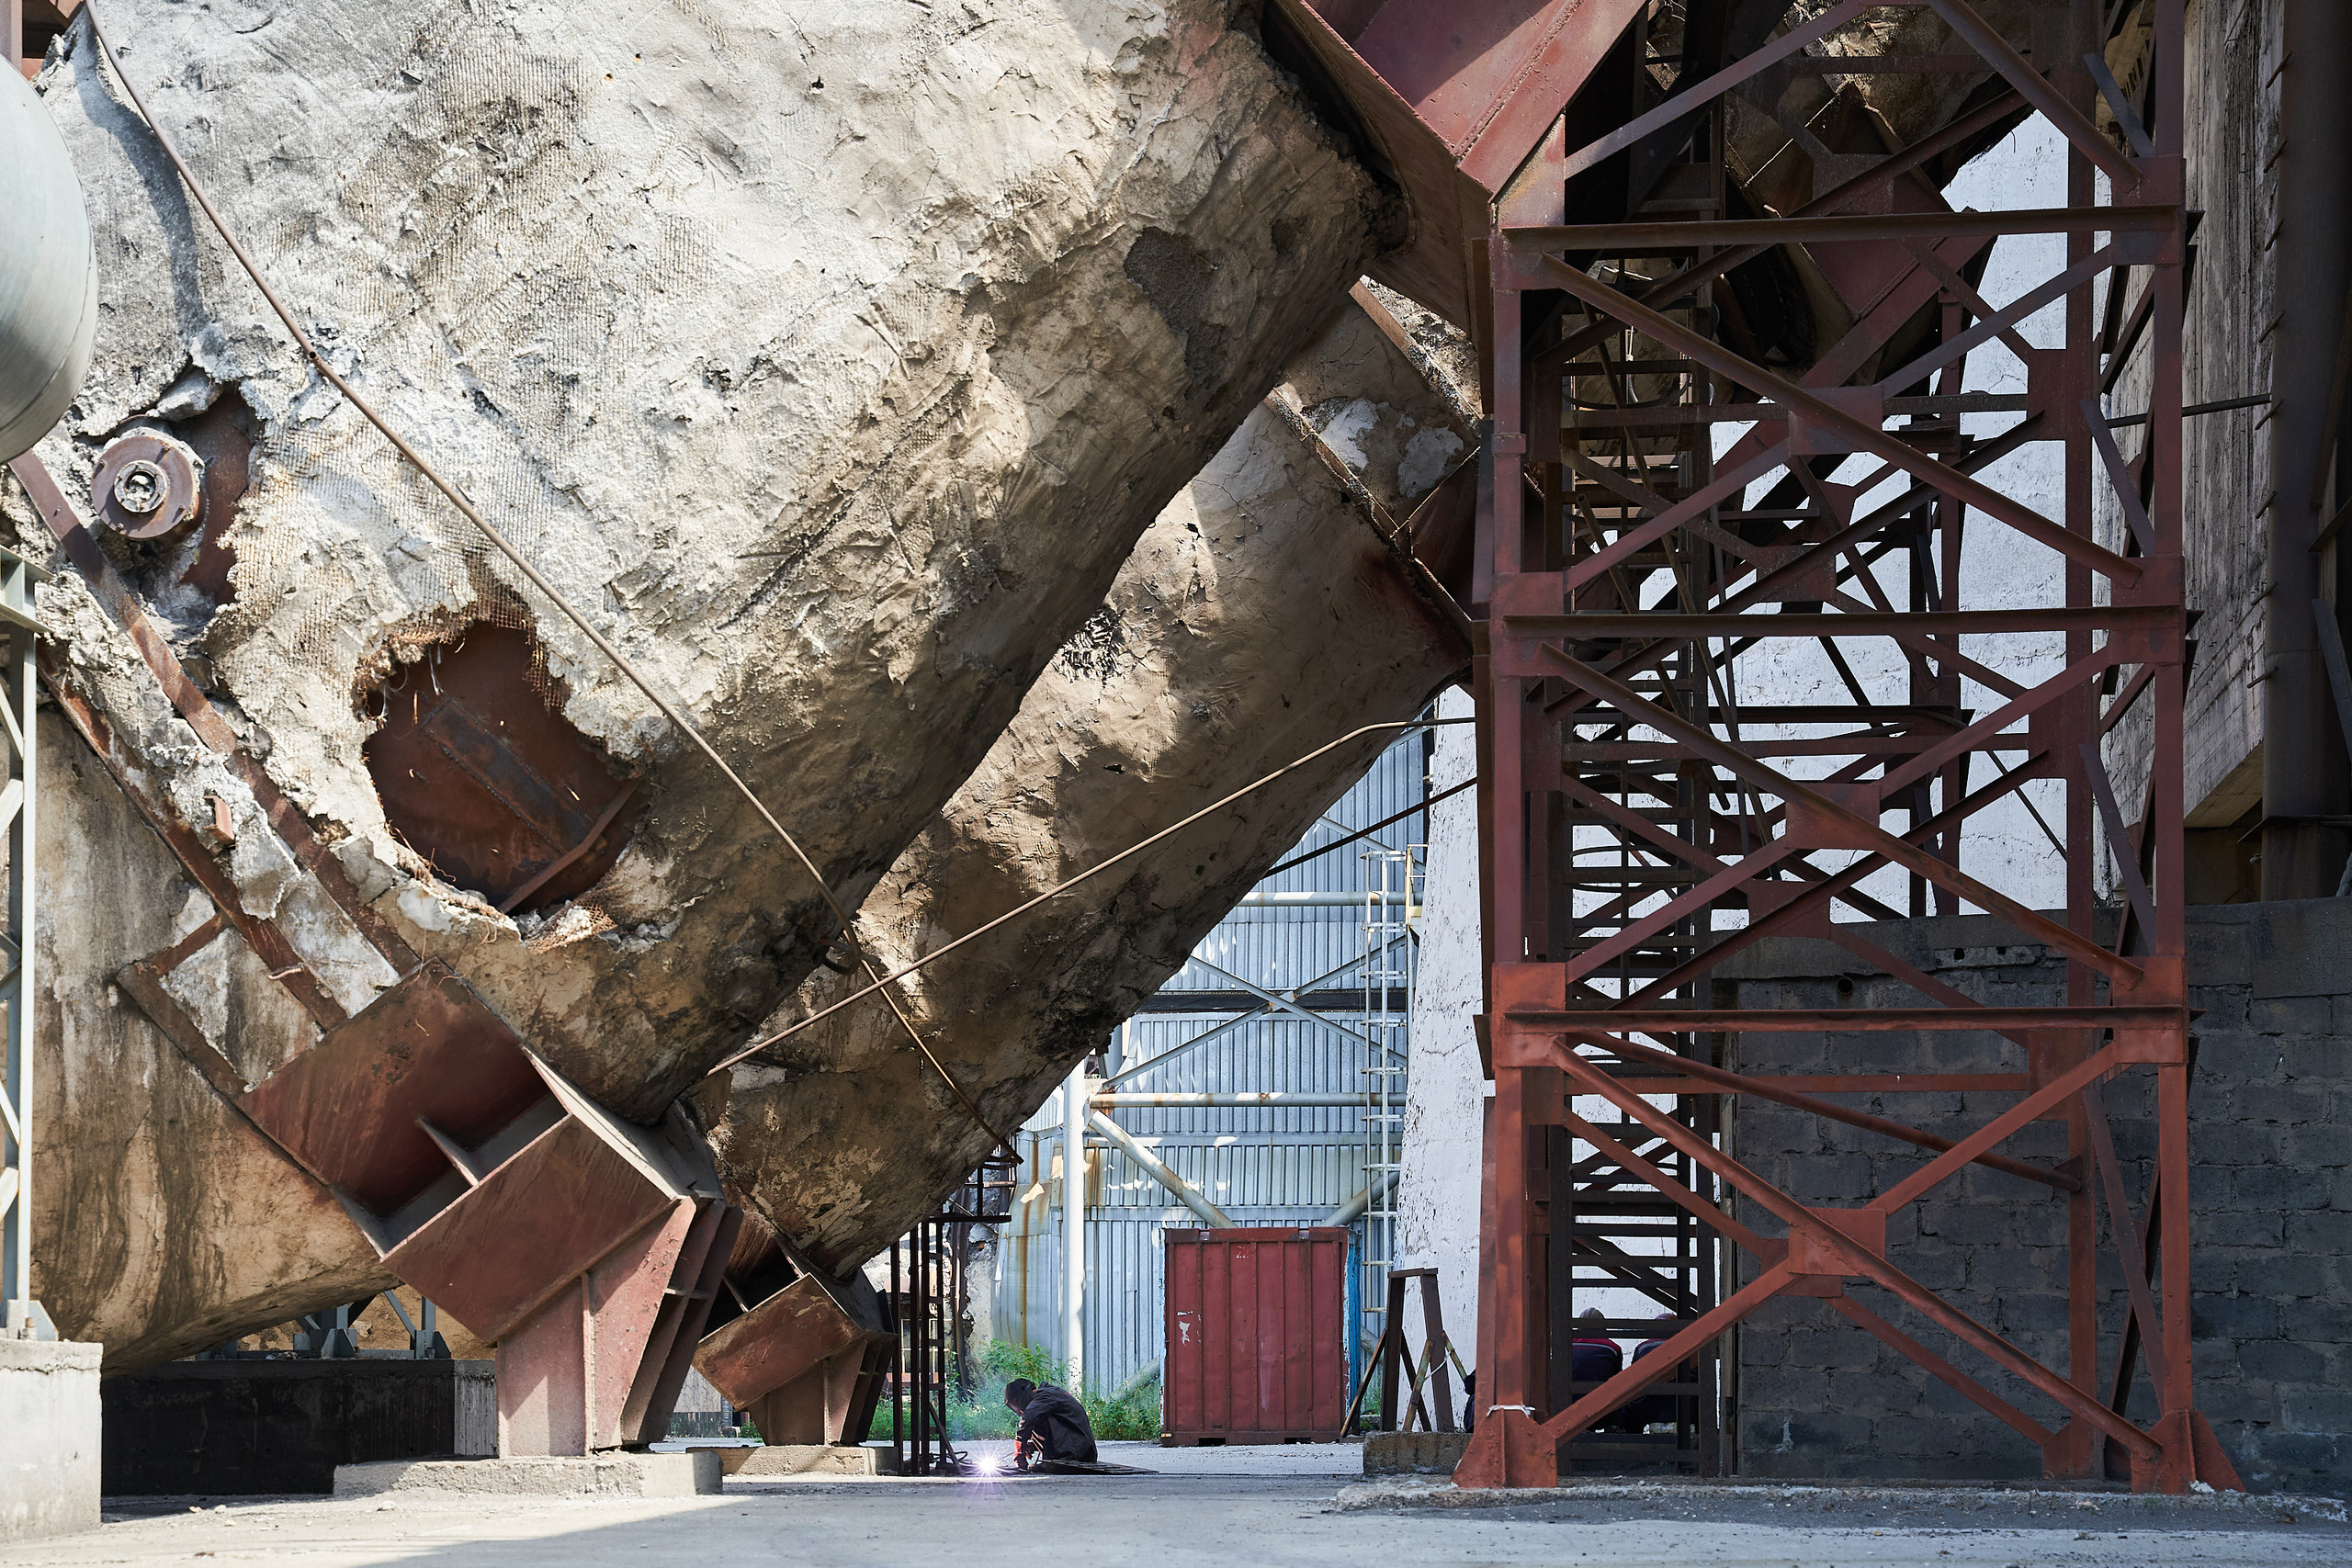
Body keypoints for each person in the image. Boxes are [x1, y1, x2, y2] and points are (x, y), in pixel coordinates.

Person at [1005, 1377, 1097, 1469]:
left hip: (1075, 1455)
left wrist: (1019, 1451)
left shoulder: (1044, 1397)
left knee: (1033, 1420)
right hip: (1081, 1450)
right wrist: (1034, 1446)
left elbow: (1027, 1420)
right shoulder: (1050, 1393)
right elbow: (1067, 1426)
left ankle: (1063, 1458)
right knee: (1037, 1417)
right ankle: (1062, 1457)